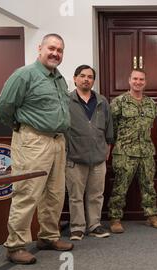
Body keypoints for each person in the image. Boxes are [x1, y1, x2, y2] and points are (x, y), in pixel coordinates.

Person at [0, 33, 73, 264]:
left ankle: (48, 236)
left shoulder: (58, 78)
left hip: (58, 141)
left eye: (59, 50)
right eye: (51, 48)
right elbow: (4, 107)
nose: (55, 53)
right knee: (27, 193)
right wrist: (22, 128)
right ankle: (15, 246)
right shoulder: (24, 75)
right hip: (33, 141)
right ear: (40, 48)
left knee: (55, 194)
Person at [108, 69, 157, 233]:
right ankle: (115, 218)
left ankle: (151, 215)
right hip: (125, 152)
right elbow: (111, 126)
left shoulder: (150, 104)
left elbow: (152, 126)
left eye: (141, 79)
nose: (138, 82)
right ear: (129, 80)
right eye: (135, 79)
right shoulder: (119, 102)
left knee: (148, 185)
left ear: (145, 82)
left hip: (146, 152)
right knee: (120, 187)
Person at [65, 65, 113, 241]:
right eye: (82, 76)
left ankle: (94, 225)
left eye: (90, 77)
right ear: (75, 78)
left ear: (93, 80)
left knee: (96, 195)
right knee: (75, 196)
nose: (86, 79)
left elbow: (109, 128)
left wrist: (108, 148)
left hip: (98, 158)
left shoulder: (102, 101)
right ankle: (77, 228)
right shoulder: (66, 100)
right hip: (74, 158)